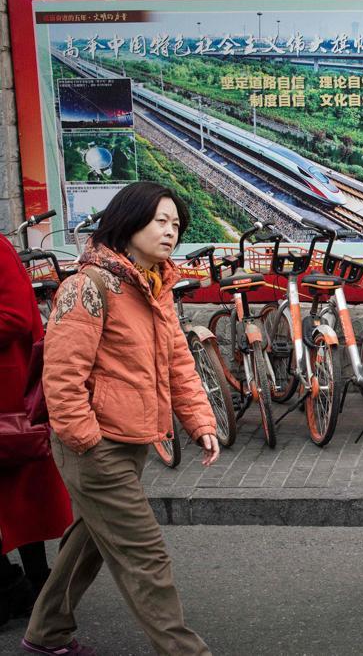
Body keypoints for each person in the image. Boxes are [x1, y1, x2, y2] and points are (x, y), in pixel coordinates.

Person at [21, 182, 220, 656]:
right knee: (144, 554)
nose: (171, 232)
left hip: (131, 439)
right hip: (95, 445)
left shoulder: (154, 285)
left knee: (90, 538)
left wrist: (200, 421)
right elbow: (62, 379)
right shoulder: (86, 287)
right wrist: (86, 440)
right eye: (160, 221)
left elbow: (177, 361)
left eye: (176, 224)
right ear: (129, 222)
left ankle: (46, 634)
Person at [0, 235, 72, 631]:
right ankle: (19, 587)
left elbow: (16, 316)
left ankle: (34, 587)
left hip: (7, 394)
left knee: (22, 496)